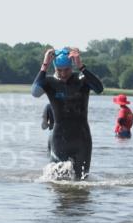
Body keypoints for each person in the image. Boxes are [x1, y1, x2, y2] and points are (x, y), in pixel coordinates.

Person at [31, 47, 103, 179]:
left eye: (67, 70)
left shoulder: (82, 80)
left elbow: (99, 88)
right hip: (60, 138)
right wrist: (45, 64)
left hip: (82, 139)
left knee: (82, 179)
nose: (63, 74)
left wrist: (81, 66)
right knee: (58, 181)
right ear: (55, 68)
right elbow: (35, 92)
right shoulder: (49, 82)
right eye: (59, 70)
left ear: (72, 67)